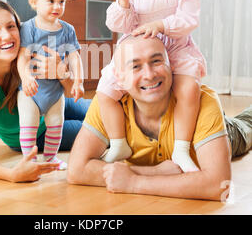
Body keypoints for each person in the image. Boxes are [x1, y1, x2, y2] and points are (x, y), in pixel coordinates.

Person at [67, 35, 252, 201]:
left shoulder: (204, 102)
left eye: (156, 61)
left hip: (229, 132)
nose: (149, 75)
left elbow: (218, 185)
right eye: (136, 66)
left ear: (171, 65)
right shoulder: (107, 104)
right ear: (119, 78)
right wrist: (153, 172)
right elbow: (76, 170)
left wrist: (133, 182)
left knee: (248, 123)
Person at [96, 0, 206, 173]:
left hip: (174, 48)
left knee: (189, 88)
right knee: (105, 91)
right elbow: (117, 24)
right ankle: (118, 143)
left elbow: (190, 19)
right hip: (137, 52)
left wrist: (161, 25)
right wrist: (123, 2)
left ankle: (180, 148)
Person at [0, 0, 90, 183]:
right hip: (38, 133)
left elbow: (70, 94)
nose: (7, 36)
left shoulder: (27, 55)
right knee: (101, 131)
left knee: (104, 108)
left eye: (11, 26)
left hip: (56, 103)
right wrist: (12, 175)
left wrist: (62, 74)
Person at [17, 0, 84, 170]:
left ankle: (50, 158)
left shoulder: (67, 30)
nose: (57, 7)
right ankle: (28, 159)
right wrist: (26, 76)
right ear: (34, 2)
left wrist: (79, 81)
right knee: (28, 125)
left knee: (56, 124)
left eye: (62, 1)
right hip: (31, 91)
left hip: (55, 92)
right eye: (51, 1)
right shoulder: (28, 28)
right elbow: (23, 57)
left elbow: (74, 57)